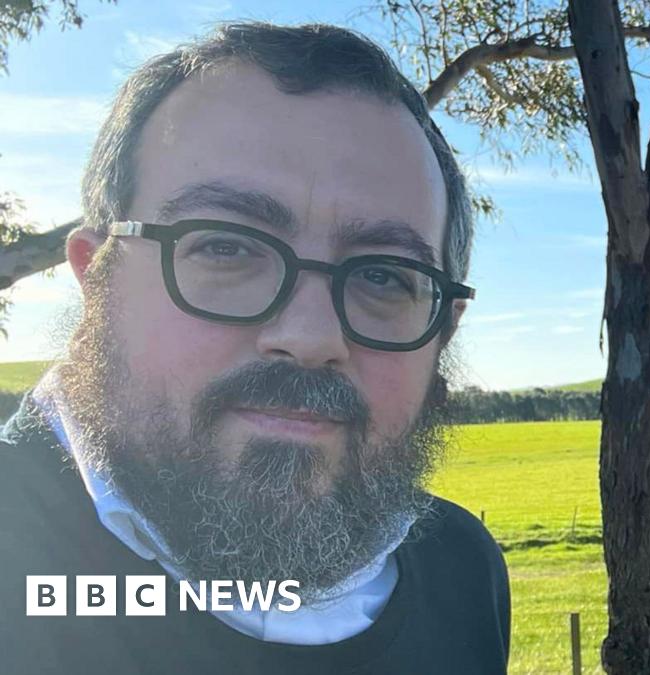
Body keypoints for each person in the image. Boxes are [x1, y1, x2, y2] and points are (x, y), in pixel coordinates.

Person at [0, 22, 509, 674]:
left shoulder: (462, 571)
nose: (311, 338)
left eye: (384, 275)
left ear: (445, 329)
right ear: (98, 276)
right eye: (226, 246)